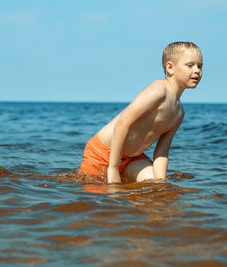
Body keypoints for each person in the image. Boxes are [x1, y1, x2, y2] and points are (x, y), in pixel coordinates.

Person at [79, 41, 203, 183]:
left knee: (157, 190)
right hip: (103, 153)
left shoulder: (179, 112)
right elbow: (123, 123)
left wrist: (161, 182)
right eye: (190, 65)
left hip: (133, 158)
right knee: (95, 195)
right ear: (170, 68)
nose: (197, 70)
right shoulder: (159, 90)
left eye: (200, 66)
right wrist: (113, 169)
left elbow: (161, 151)